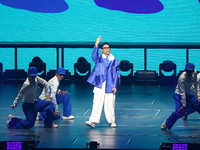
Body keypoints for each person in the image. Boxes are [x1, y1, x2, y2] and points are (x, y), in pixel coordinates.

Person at [85, 35, 120, 128]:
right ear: (102, 50)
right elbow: (93, 56)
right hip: (99, 82)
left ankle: (112, 121)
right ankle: (92, 121)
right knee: (96, 102)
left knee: (110, 103)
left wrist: (115, 86)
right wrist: (96, 43)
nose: (107, 49)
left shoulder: (114, 60)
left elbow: (117, 74)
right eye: (105, 48)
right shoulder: (99, 58)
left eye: (108, 48)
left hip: (110, 84)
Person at [161, 63, 200, 130]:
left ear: (193, 71)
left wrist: (199, 95)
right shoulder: (182, 78)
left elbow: (197, 85)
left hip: (190, 93)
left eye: (190, 71)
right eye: (187, 71)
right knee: (179, 112)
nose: (188, 73)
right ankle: (167, 123)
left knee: (198, 104)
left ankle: (186, 112)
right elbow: (182, 92)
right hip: (179, 94)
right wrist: (184, 105)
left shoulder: (196, 74)